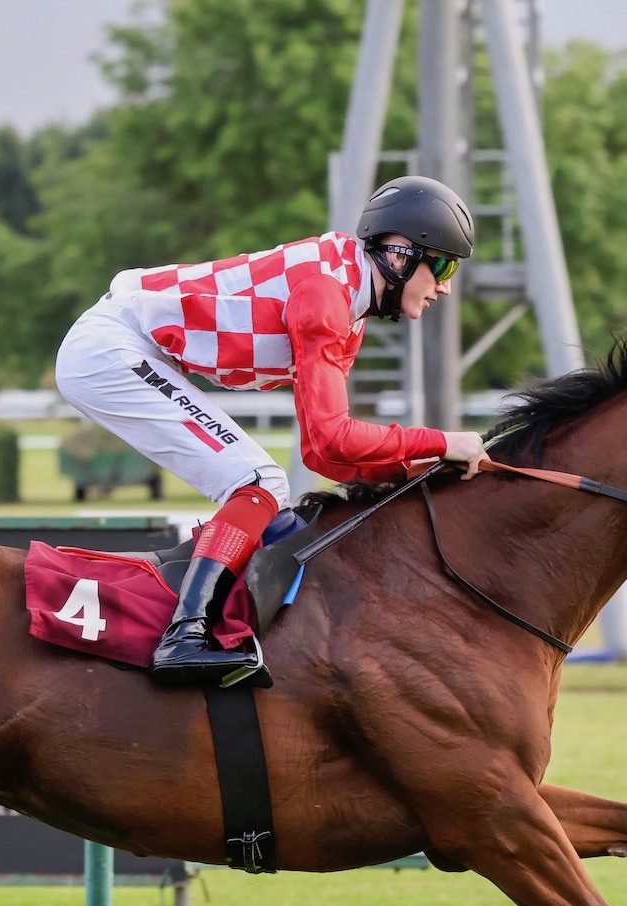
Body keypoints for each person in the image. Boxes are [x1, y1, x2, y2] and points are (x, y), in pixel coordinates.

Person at [54, 175, 488, 687]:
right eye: (441, 264)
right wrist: (440, 442)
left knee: (269, 497)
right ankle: (184, 638)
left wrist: (426, 465)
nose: (445, 285)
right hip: (111, 350)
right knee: (259, 483)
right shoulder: (325, 296)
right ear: (398, 256)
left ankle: (204, 622)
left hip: (127, 347)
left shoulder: (348, 303)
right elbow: (332, 440)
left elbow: (325, 456)